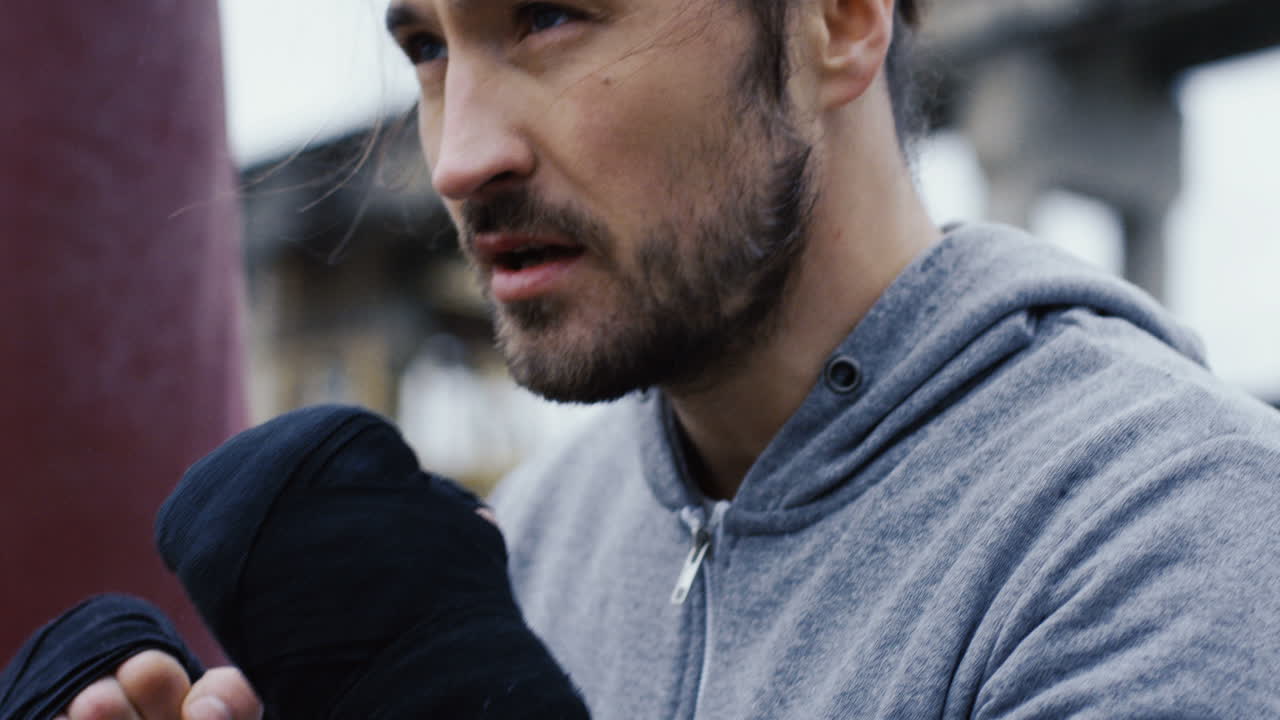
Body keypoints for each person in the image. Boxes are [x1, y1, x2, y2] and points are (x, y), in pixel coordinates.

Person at [57, 0, 1280, 716]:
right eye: (428, 47)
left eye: (547, 13)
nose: (455, 154)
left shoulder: (1173, 535)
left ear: (837, 21)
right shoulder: (527, 538)